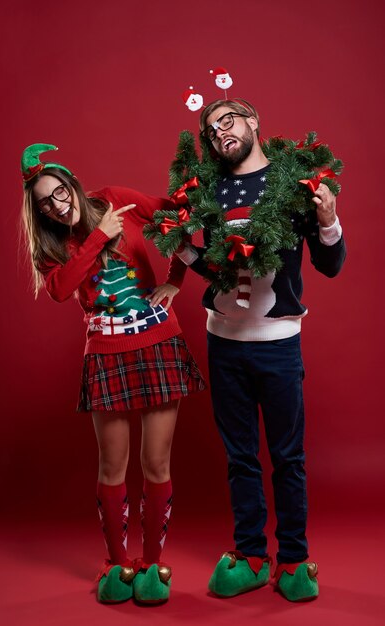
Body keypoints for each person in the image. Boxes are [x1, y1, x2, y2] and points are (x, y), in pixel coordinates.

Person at [174, 100, 346, 602]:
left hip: (278, 345)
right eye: (210, 130)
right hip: (223, 342)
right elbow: (217, 268)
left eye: (228, 120)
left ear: (253, 122)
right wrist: (180, 246)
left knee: (288, 457)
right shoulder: (209, 190)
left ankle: (293, 558)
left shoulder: (294, 183)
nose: (218, 132)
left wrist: (331, 219)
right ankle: (250, 553)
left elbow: (331, 265)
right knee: (240, 457)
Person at [20, 143, 205, 605]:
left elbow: (177, 218)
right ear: (38, 211)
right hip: (106, 352)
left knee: (156, 464)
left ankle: (152, 562)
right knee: (112, 466)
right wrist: (99, 236)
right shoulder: (52, 246)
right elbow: (62, 290)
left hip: (159, 342)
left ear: (72, 184)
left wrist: (175, 279)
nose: (57, 204)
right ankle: (117, 562)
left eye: (60, 191)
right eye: (45, 202)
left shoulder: (115, 200)